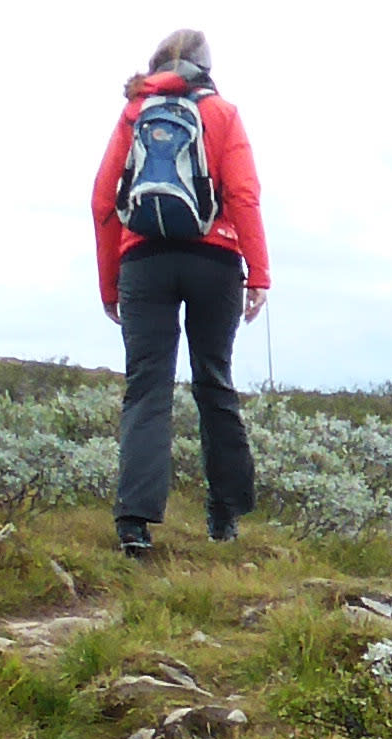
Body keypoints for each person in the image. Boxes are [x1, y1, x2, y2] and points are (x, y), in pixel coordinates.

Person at [93, 28, 270, 556]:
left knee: (147, 386)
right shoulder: (222, 114)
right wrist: (258, 274)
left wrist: (109, 282)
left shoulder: (134, 112)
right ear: (207, 67)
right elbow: (243, 195)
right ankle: (224, 516)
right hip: (215, 260)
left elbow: (102, 199)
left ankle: (134, 524)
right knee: (214, 381)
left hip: (143, 260)